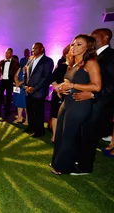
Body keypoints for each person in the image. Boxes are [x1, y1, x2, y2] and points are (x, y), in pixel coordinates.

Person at [51, 34, 101, 175]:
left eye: (79, 44)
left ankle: (63, 167)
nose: (74, 47)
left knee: (68, 136)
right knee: (60, 134)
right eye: (73, 44)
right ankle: (57, 162)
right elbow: (67, 83)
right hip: (67, 103)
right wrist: (61, 88)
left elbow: (97, 86)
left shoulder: (90, 63)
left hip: (79, 104)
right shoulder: (73, 64)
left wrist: (73, 85)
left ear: (88, 47)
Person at [71, 29, 114, 172]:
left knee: (89, 135)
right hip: (85, 103)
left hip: (99, 104)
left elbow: (111, 85)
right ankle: (78, 160)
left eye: (93, 37)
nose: (90, 39)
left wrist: (93, 95)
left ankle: (85, 167)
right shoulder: (91, 56)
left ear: (106, 38)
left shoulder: (111, 56)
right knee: (82, 133)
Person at [24, 43, 54, 137]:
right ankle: (31, 127)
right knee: (30, 110)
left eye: (36, 48)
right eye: (32, 48)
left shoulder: (48, 61)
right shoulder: (31, 59)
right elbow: (26, 73)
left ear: (42, 49)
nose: (33, 50)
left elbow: (45, 77)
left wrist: (34, 88)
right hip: (28, 90)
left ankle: (40, 131)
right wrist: (25, 86)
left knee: (38, 112)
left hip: (39, 91)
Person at [49, 45, 71, 142]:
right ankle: (54, 136)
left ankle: (64, 136)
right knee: (55, 115)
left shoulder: (78, 67)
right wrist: (57, 88)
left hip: (69, 96)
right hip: (57, 94)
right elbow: (52, 79)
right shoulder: (61, 66)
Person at [0, 48, 20, 121]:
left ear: (11, 54)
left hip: (10, 81)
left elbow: (16, 72)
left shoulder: (15, 62)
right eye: (6, 53)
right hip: (2, 81)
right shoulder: (2, 61)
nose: (6, 54)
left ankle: (6, 113)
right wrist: (0, 76)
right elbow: (0, 70)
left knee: (8, 98)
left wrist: (14, 81)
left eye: (8, 53)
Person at [13, 49, 30, 124]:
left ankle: (27, 120)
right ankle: (19, 117)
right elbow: (15, 76)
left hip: (24, 89)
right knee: (19, 103)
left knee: (25, 104)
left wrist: (19, 83)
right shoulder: (20, 68)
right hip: (18, 89)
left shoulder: (29, 69)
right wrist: (17, 82)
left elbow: (27, 79)